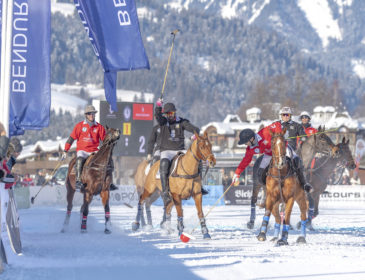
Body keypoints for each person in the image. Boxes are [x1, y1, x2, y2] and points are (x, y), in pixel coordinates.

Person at [232, 126, 312, 193]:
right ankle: (266, 191)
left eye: (246, 142)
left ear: (252, 139)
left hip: (282, 149)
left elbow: (276, 124)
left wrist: (280, 134)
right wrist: (237, 173)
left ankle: (304, 184)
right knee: (260, 171)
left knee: (297, 160)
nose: (245, 144)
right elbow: (245, 160)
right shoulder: (250, 149)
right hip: (269, 154)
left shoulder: (264, 132)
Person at [154, 99, 202, 204]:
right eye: (167, 114)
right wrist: (158, 106)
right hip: (166, 150)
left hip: (180, 150)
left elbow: (196, 129)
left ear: (175, 112)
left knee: (197, 161)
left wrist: (195, 135)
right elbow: (157, 116)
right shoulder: (163, 122)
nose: (170, 115)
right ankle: (165, 192)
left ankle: (199, 187)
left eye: (171, 113)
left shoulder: (181, 122)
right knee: (164, 163)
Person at [63, 105, 117, 192]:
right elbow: (71, 139)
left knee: (107, 160)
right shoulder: (79, 126)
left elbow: (104, 140)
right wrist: (65, 150)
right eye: (89, 114)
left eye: (93, 113)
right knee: (79, 159)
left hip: (94, 151)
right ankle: (78, 180)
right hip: (82, 150)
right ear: (86, 115)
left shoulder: (99, 127)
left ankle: (109, 182)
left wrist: (111, 139)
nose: (91, 115)